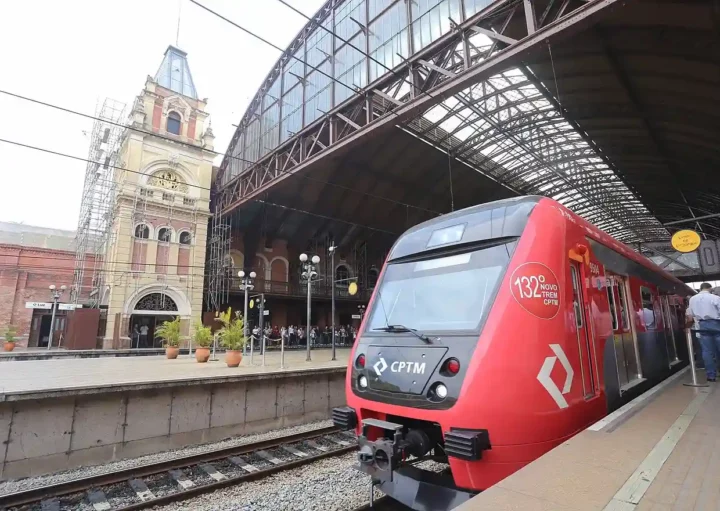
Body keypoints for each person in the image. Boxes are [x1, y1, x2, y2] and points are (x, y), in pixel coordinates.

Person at [687, 282, 720, 382]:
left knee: (707, 351)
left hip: (702, 325)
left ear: (701, 288)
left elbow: (690, 315)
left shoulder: (692, 299)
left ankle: (711, 376)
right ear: (710, 288)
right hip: (716, 323)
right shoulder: (715, 298)